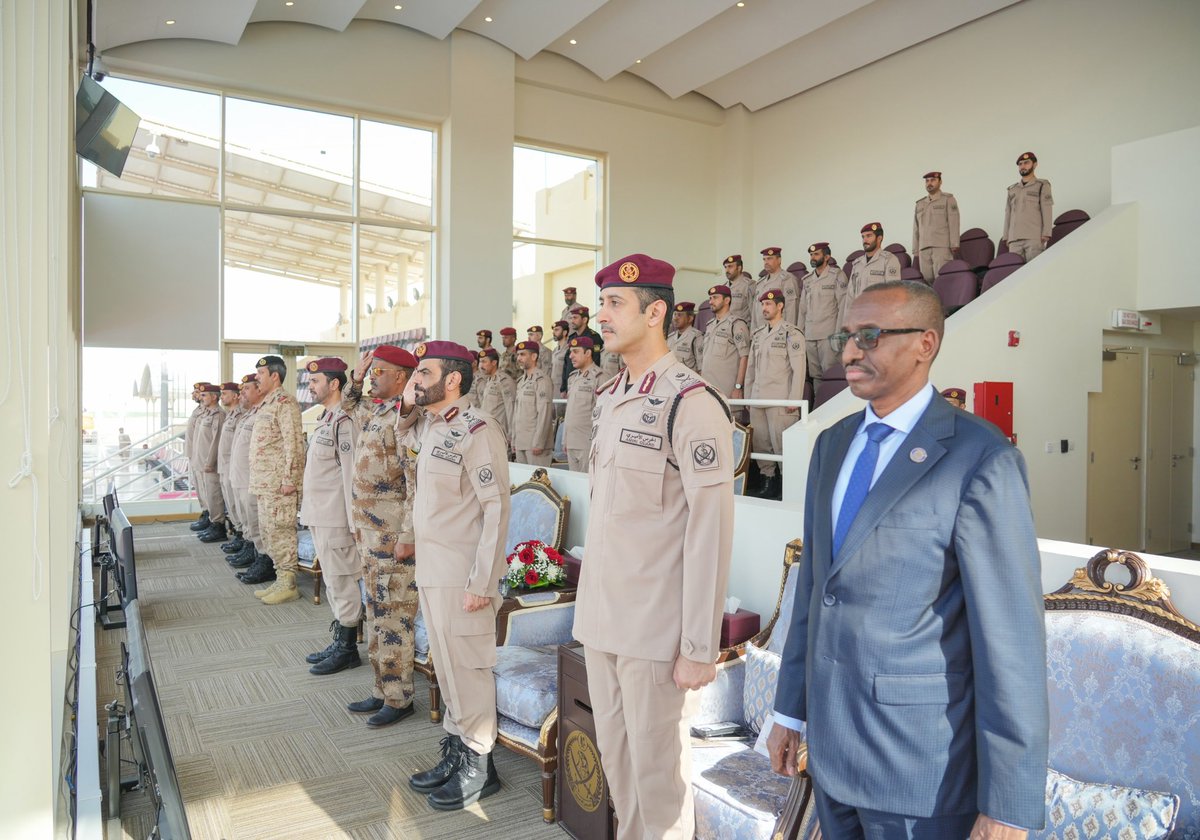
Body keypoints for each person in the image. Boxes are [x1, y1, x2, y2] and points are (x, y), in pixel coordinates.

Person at [768, 280, 1048, 839]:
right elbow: (817, 589)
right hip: (831, 750)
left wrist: (1009, 801)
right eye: (846, 336)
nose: (849, 352)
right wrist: (789, 711)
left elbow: (1010, 638)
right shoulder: (832, 445)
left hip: (921, 769)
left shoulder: (980, 457)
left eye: (869, 337)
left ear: (925, 343)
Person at [574, 253, 735, 840]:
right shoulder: (614, 394)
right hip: (603, 621)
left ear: (657, 311)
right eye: (602, 304)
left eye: (616, 304)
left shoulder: (690, 402)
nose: (602, 317)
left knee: (659, 781)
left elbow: (709, 532)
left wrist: (698, 645)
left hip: (655, 633)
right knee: (621, 774)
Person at [397, 340, 511, 811]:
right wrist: (407, 400)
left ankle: (481, 765)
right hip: (433, 567)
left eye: (424, 372)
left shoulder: (478, 430)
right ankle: (458, 747)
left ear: (453, 380)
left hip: (463, 574)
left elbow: (497, 509)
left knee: (468, 666)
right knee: (444, 666)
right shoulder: (430, 426)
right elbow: (402, 443)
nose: (416, 380)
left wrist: (482, 583)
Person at [342, 345, 420, 727]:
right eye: (372, 372)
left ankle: (399, 697)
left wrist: (408, 533)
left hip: (392, 538)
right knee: (375, 614)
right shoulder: (378, 410)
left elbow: (414, 482)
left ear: (401, 378)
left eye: (380, 372)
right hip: (369, 535)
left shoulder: (407, 418)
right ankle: (381, 689)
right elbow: (347, 405)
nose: (373, 377)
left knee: (393, 617)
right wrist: (357, 377)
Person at [299, 357, 364, 676]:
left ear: (334, 383)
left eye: (315, 381)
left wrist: (354, 523)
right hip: (320, 514)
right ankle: (341, 636)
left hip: (337, 518)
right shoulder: (327, 417)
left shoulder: (345, 421)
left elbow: (351, 475)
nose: (310, 386)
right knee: (333, 582)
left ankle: (348, 647)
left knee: (341, 582)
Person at [249, 356, 306, 604]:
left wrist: (290, 480)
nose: (256, 378)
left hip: (280, 485)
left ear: (275, 376)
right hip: (265, 483)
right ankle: (279, 578)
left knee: (282, 532)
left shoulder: (286, 403)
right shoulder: (267, 404)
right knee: (269, 532)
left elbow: (294, 443)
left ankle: (289, 583)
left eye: (261, 373)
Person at [745, 289, 807, 500]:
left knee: (781, 444)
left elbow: (799, 369)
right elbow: (750, 369)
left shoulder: (792, 333)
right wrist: (747, 396)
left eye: (768, 304)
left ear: (780, 306)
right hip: (758, 397)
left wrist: (794, 399)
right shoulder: (758, 334)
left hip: (780, 399)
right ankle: (767, 481)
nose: (764, 308)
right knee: (761, 444)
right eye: (762, 304)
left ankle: (786, 484)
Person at [231, 375, 272, 582]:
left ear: (259, 390)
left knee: (256, 522)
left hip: (252, 479)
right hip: (240, 477)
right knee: (247, 518)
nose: (243, 393)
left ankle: (264, 560)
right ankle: (254, 552)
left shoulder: (263, 414)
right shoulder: (250, 414)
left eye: (247, 388)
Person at [798, 242, 848, 385]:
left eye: (816, 254)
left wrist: (839, 334)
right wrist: (800, 334)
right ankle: (819, 406)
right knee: (815, 376)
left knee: (831, 374)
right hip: (810, 336)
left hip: (828, 335)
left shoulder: (837, 275)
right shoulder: (807, 280)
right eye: (811, 255)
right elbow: (802, 310)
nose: (813, 257)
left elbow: (843, 306)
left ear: (827, 257)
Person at [841, 222, 902, 324]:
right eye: (863, 237)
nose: (865, 240)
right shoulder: (857, 264)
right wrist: (847, 323)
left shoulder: (889, 260)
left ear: (879, 238)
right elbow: (850, 297)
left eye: (869, 236)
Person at [700, 284, 750, 401]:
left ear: (727, 300)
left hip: (726, 392)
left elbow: (745, 356)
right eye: (710, 298)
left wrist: (738, 387)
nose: (711, 302)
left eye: (715, 297)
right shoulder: (710, 325)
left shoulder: (736, 324)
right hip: (707, 390)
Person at [193, 383, 229, 543]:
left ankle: (218, 525)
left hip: (210, 464)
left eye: (204, 395)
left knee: (214, 495)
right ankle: (213, 522)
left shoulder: (219, 415)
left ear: (214, 397)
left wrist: (210, 461)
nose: (201, 398)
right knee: (208, 494)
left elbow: (216, 441)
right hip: (201, 461)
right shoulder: (207, 413)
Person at [1003, 152, 1054, 262]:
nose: (1023, 166)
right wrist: (1006, 236)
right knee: (1015, 273)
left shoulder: (1041, 185)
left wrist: (1046, 233)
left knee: (1035, 270)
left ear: (1035, 165)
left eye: (1026, 163)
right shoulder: (1012, 189)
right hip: (1014, 239)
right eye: (1020, 164)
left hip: (1033, 236)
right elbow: (1008, 213)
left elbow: (1047, 209)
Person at [563, 335, 603, 471]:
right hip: (572, 441)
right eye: (570, 352)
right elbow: (570, 411)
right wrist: (565, 439)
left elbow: (602, 415)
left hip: (587, 442)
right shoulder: (573, 377)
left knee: (587, 486)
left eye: (575, 352)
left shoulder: (600, 377)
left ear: (588, 353)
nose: (571, 356)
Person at [511, 339, 554, 466]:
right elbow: (516, 414)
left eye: (523, 354)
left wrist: (539, 442)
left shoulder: (542, 380)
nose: (519, 358)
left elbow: (544, 413)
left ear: (534, 356)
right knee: (522, 483)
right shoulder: (521, 381)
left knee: (537, 483)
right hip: (521, 442)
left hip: (535, 445)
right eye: (518, 355)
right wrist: (514, 440)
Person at [912, 171, 961, 282]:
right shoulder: (920, 204)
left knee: (942, 278)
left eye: (933, 180)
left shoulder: (948, 199)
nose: (929, 183)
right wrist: (915, 248)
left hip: (941, 246)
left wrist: (954, 244)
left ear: (940, 182)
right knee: (928, 280)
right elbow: (916, 228)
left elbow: (954, 221)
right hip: (923, 248)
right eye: (927, 181)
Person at [215, 382, 246, 556]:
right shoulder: (230, 414)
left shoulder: (241, 415)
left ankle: (243, 537)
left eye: (225, 393)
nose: (222, 397)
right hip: (225, 465)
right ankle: (240, 534)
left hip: (233, 467)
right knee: (231, 504)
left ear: (235, 396)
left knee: (237, 504)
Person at [474, 347, 516, 447]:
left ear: (494, 363)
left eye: (484, 362)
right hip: (488, 431)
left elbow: (511, 409)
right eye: (480, 362)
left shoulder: (504, 381)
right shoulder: (489, 380)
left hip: (500, 433)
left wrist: (511, 435)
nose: (481, 366)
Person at [752, 247, 800, 331]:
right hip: (761, 331)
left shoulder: (787, 279)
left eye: (769, 259)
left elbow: (792, 309)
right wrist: (753, 333)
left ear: (779, 260)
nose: (766, 262)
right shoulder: (760, 283)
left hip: (779, 331)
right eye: (764, 259)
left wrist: (789, 332)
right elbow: (755, 311)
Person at [186, 383, 210, 532]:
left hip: (203, 457)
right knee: (200, 488)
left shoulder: (208, 412)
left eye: (198, 393)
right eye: (195, 393)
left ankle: (210, 517)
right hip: (194, 455)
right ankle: (205, 512)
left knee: (207, 490)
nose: (195, 395)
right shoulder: (199, 410)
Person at [667, 301, 704, 373]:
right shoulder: (670, 337)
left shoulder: (696, 337)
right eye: (675, 314)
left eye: (680, 315)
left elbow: (701, 367)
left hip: (688, 380)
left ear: (690, 318)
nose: (675, 318)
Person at [721, 254, 755, 325]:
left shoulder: (749, 285)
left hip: (742, 329)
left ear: (739, 268)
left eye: (730, 267)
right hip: (725, 329)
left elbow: (754, 313)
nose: (727, 270)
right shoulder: (723, 288)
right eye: (725, 267)